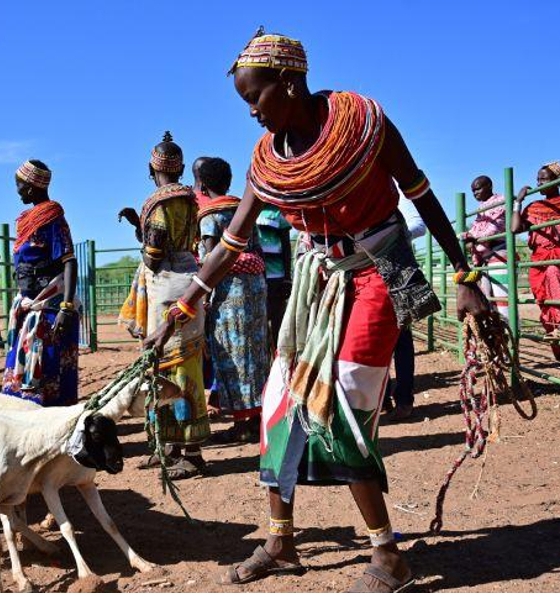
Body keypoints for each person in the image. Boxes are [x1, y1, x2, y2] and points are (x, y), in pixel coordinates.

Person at [145, 31, 488, 589]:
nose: (252, 112)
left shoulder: (364, 123)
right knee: (281, 399)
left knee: (346, 398)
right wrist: (182, 307)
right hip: (316, 280)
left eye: (256, 98)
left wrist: (465, 273)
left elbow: (420, 192)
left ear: (290, 82)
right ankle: (281, 540)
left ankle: (387, 555)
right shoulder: (266, 160)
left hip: (377, 268)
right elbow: (231, 243)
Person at [118, 132, 209, 479]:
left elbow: (155, 255)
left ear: (149, 169)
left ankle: (188, 453)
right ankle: (172, 448)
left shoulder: (157, 202)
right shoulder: (190, 198)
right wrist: (138, 227)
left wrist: (142, 238)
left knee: (164, 366)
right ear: (182, 168)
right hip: (190, 282)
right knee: (186, 365)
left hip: (166, 288)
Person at [194, 157, 268, 444]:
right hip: (255, 289)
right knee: (256, 352)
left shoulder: (210, 216)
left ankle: (241, 424)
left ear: (201, 184)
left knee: (232, 355)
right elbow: (257, 251)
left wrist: (203, 298)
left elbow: (212, 261)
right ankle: (258, 418)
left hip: (229, 295)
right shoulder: (243, 208)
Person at [2, 159, 79, 406]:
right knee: (23, 367)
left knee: (49, 367)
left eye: (20, 185)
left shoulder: (52, 218)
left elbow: (69, 261)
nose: (17, 191)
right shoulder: (28, 219)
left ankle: (51, 427)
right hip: (29, 306)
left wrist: (65, 307)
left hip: (50, 308)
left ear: (32, 186)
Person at [511, 161, 560, 381]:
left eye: (545, 179)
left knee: (553, 272)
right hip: (538, 262)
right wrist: (518, 202)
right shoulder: (534, 207)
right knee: (547, 312)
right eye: (538, 179)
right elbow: (514, 228)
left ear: (558, 180)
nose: (539, 183)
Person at [383, 201, 428, 421]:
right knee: (372, 339)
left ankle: (404, 399)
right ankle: (381, 399)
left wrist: (389, 239)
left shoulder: (398, 194)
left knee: (401, 339)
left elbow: (419, 225)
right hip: (363, 270)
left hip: (396, 272)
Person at [461, 175, 509, 317]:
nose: (475, 193)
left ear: (489, 186)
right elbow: (477, 230)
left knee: (503, 301)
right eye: (473, 191)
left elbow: (496, 227)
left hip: (499, 253)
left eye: (478, 189)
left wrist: (472, 237)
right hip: (484, 257)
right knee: (486, 299)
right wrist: (468, 236)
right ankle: (498, 334)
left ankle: (512, 332)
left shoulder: (500, 202)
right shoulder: (482, 208)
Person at [257, 201, 292, 347]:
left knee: (278, 324)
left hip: (276, 278)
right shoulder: (245, 211)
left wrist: (287, 278)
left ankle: (280, 361)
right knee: (259, 325)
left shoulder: (278, 212)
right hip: (256, 278)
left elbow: (286, 246)